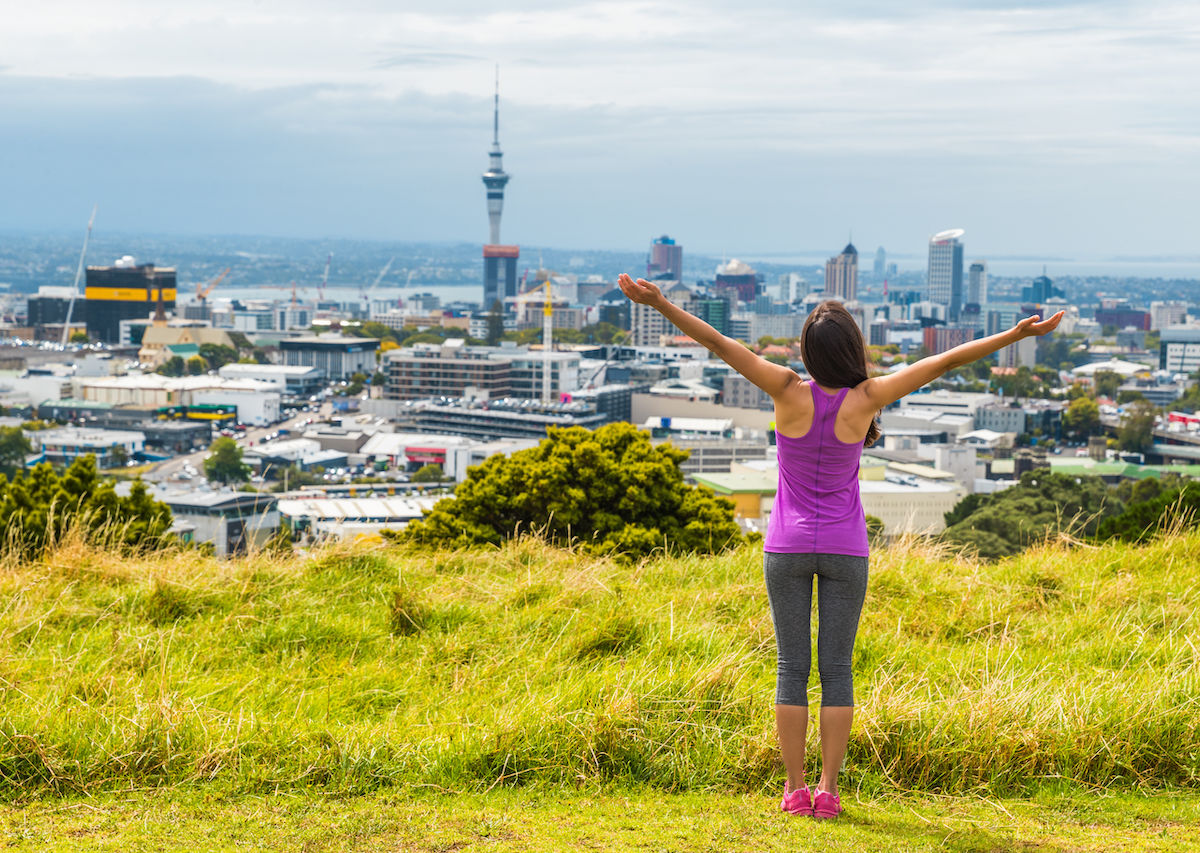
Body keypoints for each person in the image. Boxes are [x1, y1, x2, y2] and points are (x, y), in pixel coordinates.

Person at [617, 273, 1063, 819]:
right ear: (852, 350)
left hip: (785, 545)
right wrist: (1012, 336)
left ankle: (793, 789)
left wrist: (660, 302)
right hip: (846, 548)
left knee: (790, 666)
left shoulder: (784, 387)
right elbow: (944, 363)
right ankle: (828, 789)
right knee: (837, 668)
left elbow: (715, 342)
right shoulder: (868, 398)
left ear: (807, 351)